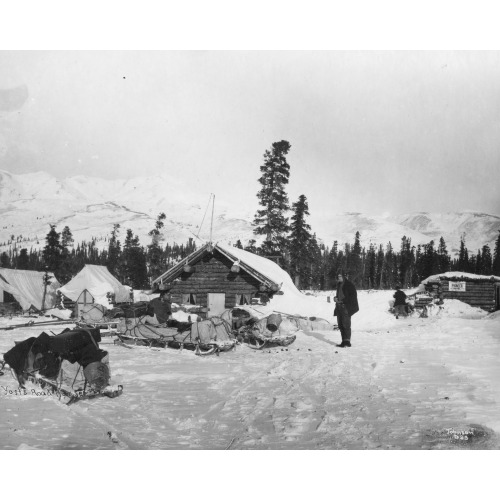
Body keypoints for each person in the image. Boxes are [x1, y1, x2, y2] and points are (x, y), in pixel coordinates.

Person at [334, 271, 359, 348]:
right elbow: (339, 295)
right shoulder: (339, 285)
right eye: (338, 277)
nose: (339, 278)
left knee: (346, 325)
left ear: (344, 276)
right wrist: (335, 298)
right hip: (339, 307)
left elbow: (352, 297)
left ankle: (347, 342)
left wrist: (342, 301)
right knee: (340, 325)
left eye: (340, 276)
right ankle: (343, 341)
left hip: (346, 307)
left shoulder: (349, 285)